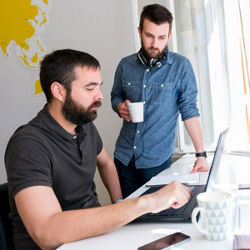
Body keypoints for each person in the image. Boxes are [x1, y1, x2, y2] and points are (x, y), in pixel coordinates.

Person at [5, 49, 191, 250]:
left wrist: (119, 202)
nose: (100, 96)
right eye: (89, 88)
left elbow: (106, 162)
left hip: (96, 240)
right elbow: (46, 232)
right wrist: (145, 203)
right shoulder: (28, 144)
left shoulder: (83, 125)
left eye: (99, 87)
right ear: (58, 91)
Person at [111, 4, 210, 198]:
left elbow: (189, 110)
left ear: (169, 36)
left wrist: (201, 154)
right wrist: (119, 106)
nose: (155, 43)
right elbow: (115, 95)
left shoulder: (181, 66)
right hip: (123, 159)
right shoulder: (125, 65)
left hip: (156, 162)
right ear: (140, 31)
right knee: (126, 219)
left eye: (162, 37)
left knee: (155, 219)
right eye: (149, 36)